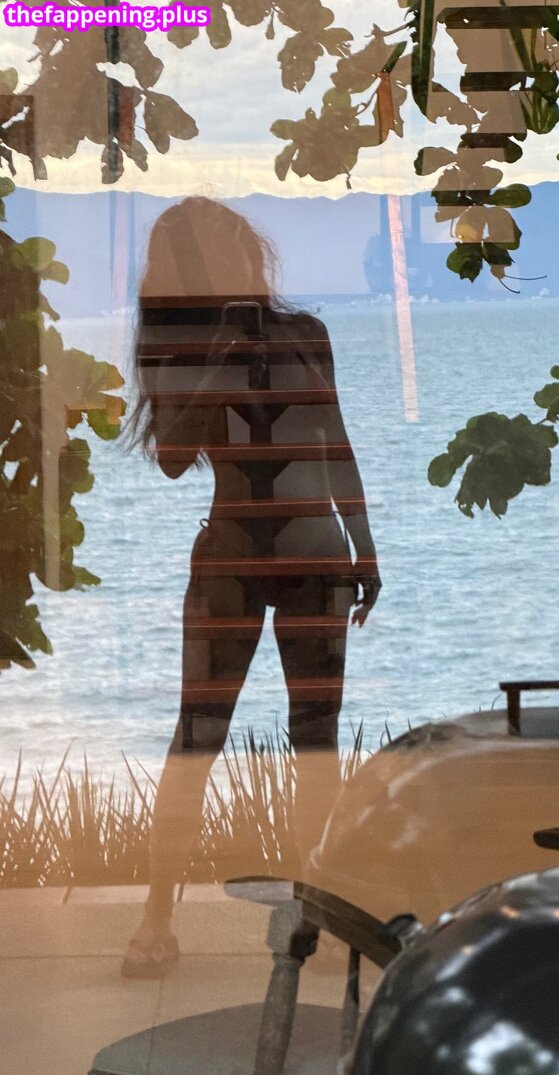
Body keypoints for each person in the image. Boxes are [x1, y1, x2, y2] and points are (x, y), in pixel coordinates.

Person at [122, 196, 381, 977]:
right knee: (196, 741)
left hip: (312, 556)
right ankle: (156, 916)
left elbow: (334, 440)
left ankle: (319, 914)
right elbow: (173, 458)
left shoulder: (306, 335)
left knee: (316, 743)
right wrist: (219, 361)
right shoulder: (181, 348)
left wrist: (364, 545)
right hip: (234, 558)